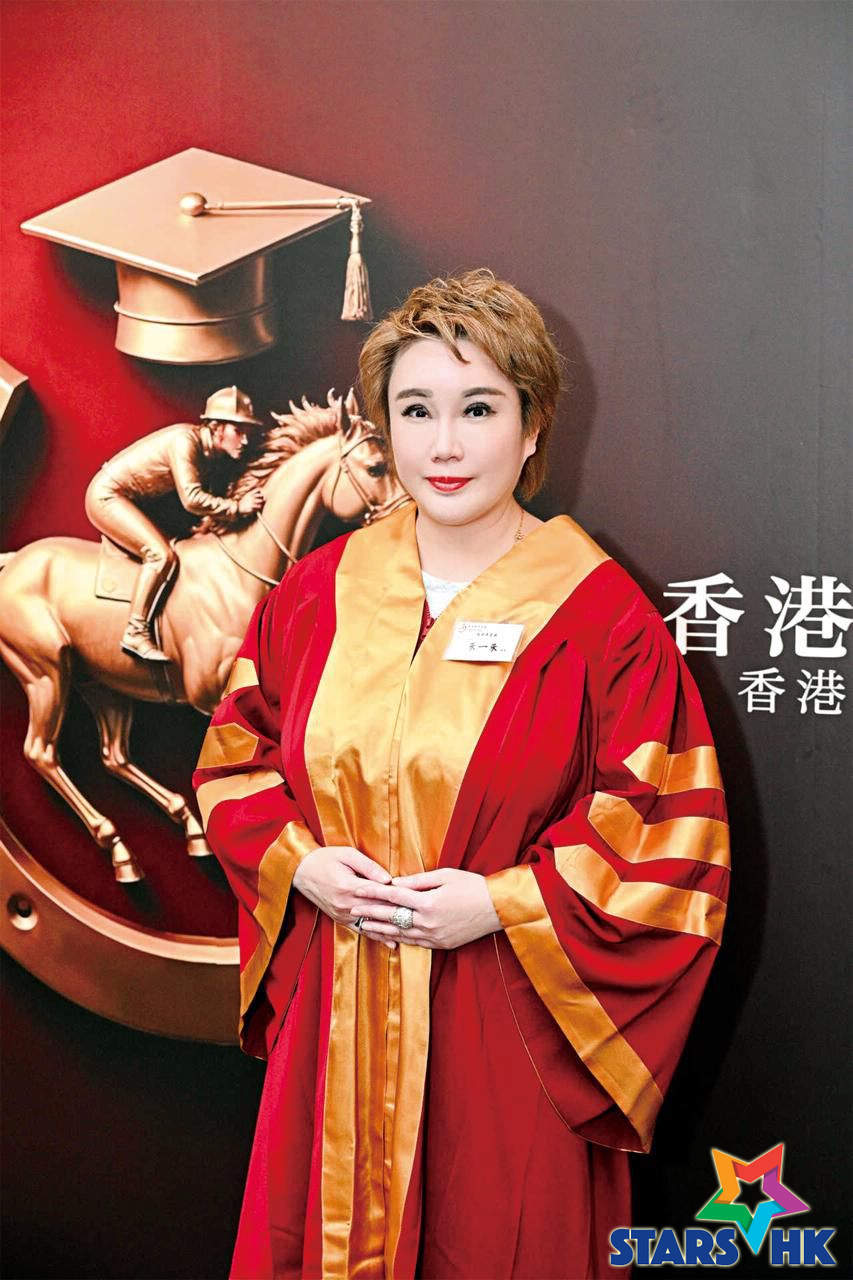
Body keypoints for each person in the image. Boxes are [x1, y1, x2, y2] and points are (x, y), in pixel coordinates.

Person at [192, 270, 730, 1279]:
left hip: (508, 1019)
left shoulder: (599, 615)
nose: (444, 444)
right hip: (339, 1019)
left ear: (533, 426)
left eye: (478, 408)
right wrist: (301, 864)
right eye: (416, 409)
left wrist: (500, 901)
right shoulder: (318, 590)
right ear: (384, 429)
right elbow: (235, 756)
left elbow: (664, 828)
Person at [85, 386, 266, 662]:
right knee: (160, 555)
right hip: (108, 497)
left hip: (138, 502)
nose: (244, 440)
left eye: (247, 432)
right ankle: (135, 631)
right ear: (216, 427)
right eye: (238, 431)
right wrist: (236, 508)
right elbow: (192, 499)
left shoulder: (212, 455)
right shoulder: (185, 442)